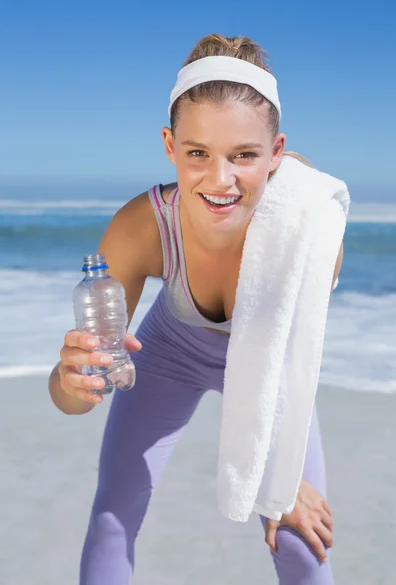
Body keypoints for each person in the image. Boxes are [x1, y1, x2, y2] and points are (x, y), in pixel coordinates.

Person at [48, 33, 343, 585]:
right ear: (169, 145)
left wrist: (281, 478)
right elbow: (74, 400)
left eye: (245, 155)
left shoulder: (311, 225)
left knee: (301, 536)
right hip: (170, 352)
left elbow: (294, 360)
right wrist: (72, 380)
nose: (220, 178)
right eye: (197, 153)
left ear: (276, 152)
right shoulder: (143, 225)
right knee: (112, 517)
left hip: (272, 372)